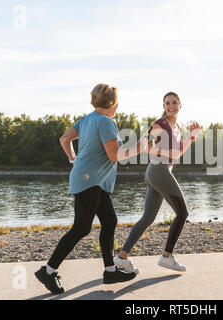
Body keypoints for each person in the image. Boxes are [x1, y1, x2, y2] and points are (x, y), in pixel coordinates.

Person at [35, 83, 144, 294]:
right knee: (81, 228)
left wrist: (73, 159)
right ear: (114, 103)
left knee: (110, 221)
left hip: (93, 180)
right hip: (90, 181)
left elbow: (64, 138)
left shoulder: (86, 120)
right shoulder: (106, 122)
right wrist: (140, 147)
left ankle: (110, 271)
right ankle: (47, 271)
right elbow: (114, 155)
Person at [114, 91, 200, 274]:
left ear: (180, 105)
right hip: (158, 170)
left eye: (174, 102)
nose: (171, 105)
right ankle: (167, 256)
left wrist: (192, 136)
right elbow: (145, 142)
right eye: (167, 103)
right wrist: (168, 153)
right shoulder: (160, 123)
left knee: (148, 218)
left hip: (158, 171)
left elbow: (180, 153)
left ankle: (121, 258)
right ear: (163, 106)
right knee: (183, 213)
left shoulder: (176, 127)